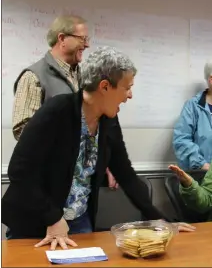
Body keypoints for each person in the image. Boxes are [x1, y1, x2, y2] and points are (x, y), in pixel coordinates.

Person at [2, 46, 195, 249]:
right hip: (36, 222)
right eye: (126, 87)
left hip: (78, 222)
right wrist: (53, 218)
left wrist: (161, 221)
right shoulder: (57, 111)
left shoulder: (108, 120)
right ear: (104, 86)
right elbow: (20, 172)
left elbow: (125, 173)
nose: (130, 95)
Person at [12, 14, 118, 189]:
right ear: (62, 38)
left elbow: (91, 127)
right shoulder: (34, 77)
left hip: (81, 186)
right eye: (82, 39)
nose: (87, 44)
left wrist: (102, 162)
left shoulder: (84, 77)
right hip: (48, 185)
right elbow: (23, 132)